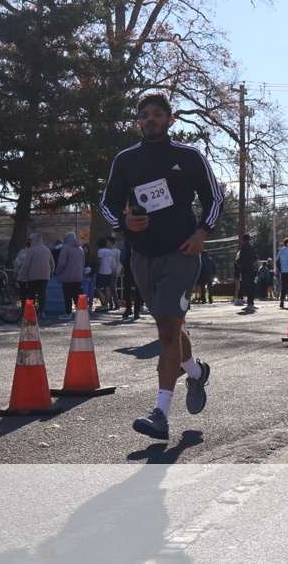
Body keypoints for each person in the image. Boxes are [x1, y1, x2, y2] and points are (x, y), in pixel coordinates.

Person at [101, 92, 223, 441]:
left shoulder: (188, 156)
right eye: (145, 115)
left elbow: (215, 197)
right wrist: (124, 221)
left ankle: (161, 415)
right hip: (141, 256)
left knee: (168, 329)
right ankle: (195, 372)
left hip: (181, 252)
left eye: (157, 114)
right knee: (168, 323)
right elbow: (108, 203)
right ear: (138, 121)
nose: (150, 119)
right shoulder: (126, 159)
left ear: (170, 120)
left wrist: (202, 232)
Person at [18, 233, 55, 317]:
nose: (29, 242)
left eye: (31, 240)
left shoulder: (31, 250)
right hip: (45, 275)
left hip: (33, 275)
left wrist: (21, 277)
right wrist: (51, 273)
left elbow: (26, 265)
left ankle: (32, 311)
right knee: (42, 293)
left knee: (32, 294)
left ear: (35, 241)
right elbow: (52, 263)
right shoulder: (46, 249)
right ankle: (42, 311)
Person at [55, 231, 84, 320]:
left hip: (67, 276)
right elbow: (83, 262)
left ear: (67, 239)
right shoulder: (80, 249)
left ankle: (68, 313)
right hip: (78, 276)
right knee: (77, 296)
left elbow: (62, 263)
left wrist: (57, 272)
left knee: (67, 296)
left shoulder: (66, 248)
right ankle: (81, 313)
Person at [235, 234, 257, 312]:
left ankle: (249, 304)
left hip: (245, 269)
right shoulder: (252, 248)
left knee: (247, 286)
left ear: (242, 240)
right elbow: (255, 258)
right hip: (251, 268)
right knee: (251, 286)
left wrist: (239, 264)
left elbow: (241, 259)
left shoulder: (243, 248)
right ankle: (251, 302)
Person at [95, 237, 116, 311]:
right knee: (107, 288)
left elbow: (100, 261)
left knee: (98, 289)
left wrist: (97, 270)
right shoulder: (109, 251)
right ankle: (107, 303)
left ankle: (103, 303)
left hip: (102, 272)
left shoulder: (100, 251)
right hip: (109, 271)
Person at [276, 238, 288, 308]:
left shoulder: (281, 251)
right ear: (287, 244)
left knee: (283, 287)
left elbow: (277, 260)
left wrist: (279, 269)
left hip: (283, 271)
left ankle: (282, 300)